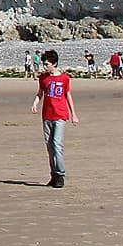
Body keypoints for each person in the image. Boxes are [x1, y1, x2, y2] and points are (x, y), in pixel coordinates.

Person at [32, 50, 77, 188]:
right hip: (47, 116)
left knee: (57, 144)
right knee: (50, 146)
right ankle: (54, 175)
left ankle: (60, 174)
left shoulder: (64, 78)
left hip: (60, 115)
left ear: (54, 64)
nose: (45, 67)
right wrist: (35, 103)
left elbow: (68, 95)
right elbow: (40, 93)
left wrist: (73, 114)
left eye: (47, 64)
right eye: (44, 64)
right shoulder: (43, 78)